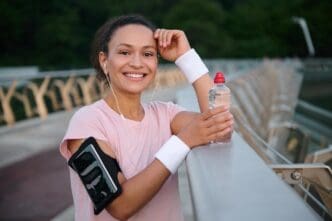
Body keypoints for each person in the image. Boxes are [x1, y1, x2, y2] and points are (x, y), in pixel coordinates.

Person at [60, 14, 233, 221]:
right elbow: (120, 205)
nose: (137, 63)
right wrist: (183, 141)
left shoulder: (165, 114)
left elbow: (219, 127)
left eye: (148, 54)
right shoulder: (87, 122)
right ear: (104, 61)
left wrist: (186, 56)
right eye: (125, 52)